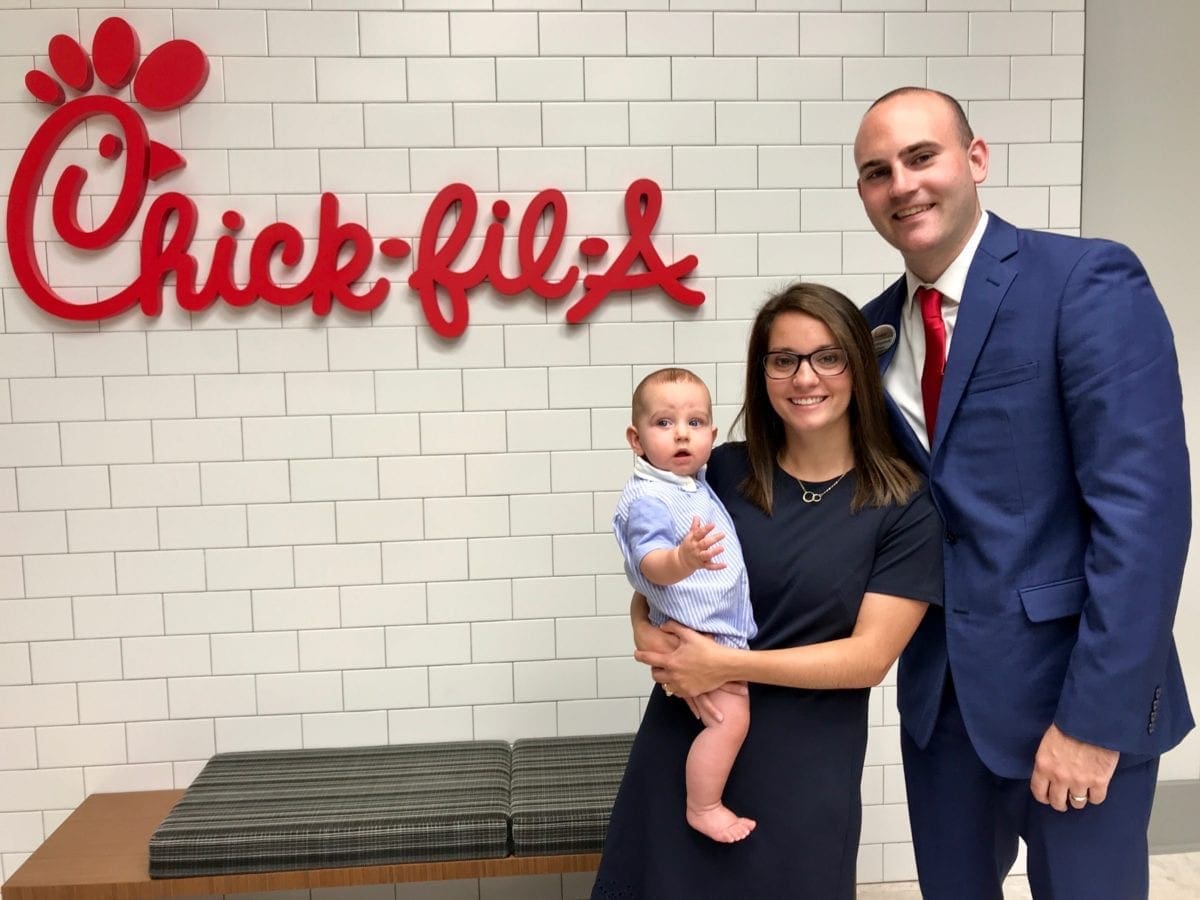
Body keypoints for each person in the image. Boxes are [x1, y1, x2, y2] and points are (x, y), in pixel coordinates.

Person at [853, 86, 1193, 899]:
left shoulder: (1083, 281)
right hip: (943, 710)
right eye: (876, 171)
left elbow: (1143, 518)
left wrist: (1092, 722)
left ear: (976, 159)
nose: (902, 183)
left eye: (921, 156)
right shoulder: (870, 334)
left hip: (1074, 699)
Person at [592, 283, 944, 899]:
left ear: (859, 367)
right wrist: (642, 625)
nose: (805, 377)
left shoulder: (902, 504)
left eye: (828, 356)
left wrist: (721, 662)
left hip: (805, 767)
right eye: (784, 359)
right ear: (764, 374)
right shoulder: (721, 470)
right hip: (690, 738)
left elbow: (868, 659)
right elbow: (652, 570)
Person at [614, 367, 758, 843]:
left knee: (725, 719)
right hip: (701, 633)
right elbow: (650, 563)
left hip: (713, 628)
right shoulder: (649, 499)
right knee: (730, 720)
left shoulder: (691, 483)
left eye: (695, 423)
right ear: (636, 439)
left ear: (712, 437)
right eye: (664, 423)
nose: (681, 433)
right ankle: (705, 805)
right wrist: (682, 558)